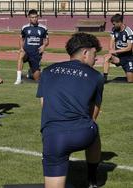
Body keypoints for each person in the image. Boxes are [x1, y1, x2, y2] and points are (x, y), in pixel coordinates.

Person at [37, 33, 104, 188]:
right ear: (86, 53)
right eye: (95, 54)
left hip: (53, 137)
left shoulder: (47, 71)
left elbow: (44, 104)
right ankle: (92, 180)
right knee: (94, 129)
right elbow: (94, 113)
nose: (96, 59)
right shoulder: (96, 76)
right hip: (83, 134)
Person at [14, 9, 49, 85]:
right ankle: (18, 79)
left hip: (36, 54)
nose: (34, 19)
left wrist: (44, 46)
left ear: (38, 17)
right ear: (29, 18)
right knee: (21, 55)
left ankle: (31, 73)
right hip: (26, 52)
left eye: (36, 17)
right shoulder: (24, 28)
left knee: (37, 79)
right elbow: (21, 39)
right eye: (32, 17)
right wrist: (21, 48)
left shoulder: (43, 28)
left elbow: (46, 41)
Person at [103, 13, 133, 83]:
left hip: (128, 58)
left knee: (130, 81)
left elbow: (129, 48)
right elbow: (111, 43)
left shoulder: (129, 32)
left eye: (114, 24)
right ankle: (104, 79)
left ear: (119, 22)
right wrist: (111, 51)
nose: (113, 26)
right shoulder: (114, 30)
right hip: (118, 57)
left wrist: (115, 51)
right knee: (107, 57)